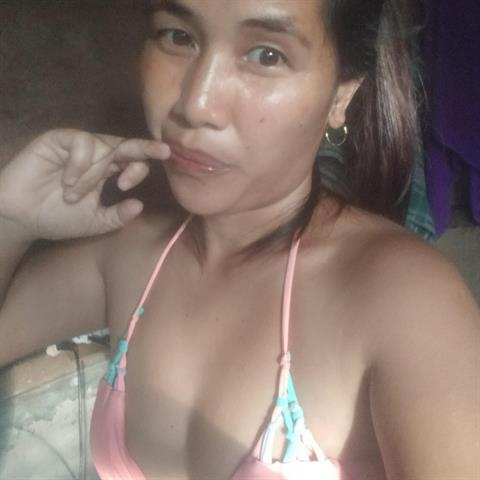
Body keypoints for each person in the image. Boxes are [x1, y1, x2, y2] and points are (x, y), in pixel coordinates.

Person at [0, 0, 479, 479]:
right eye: (178, 36)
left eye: (267, 55)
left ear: (341, 96)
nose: (196, 104)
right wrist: (11, 218)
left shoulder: (407, 301)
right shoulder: (129, 254)